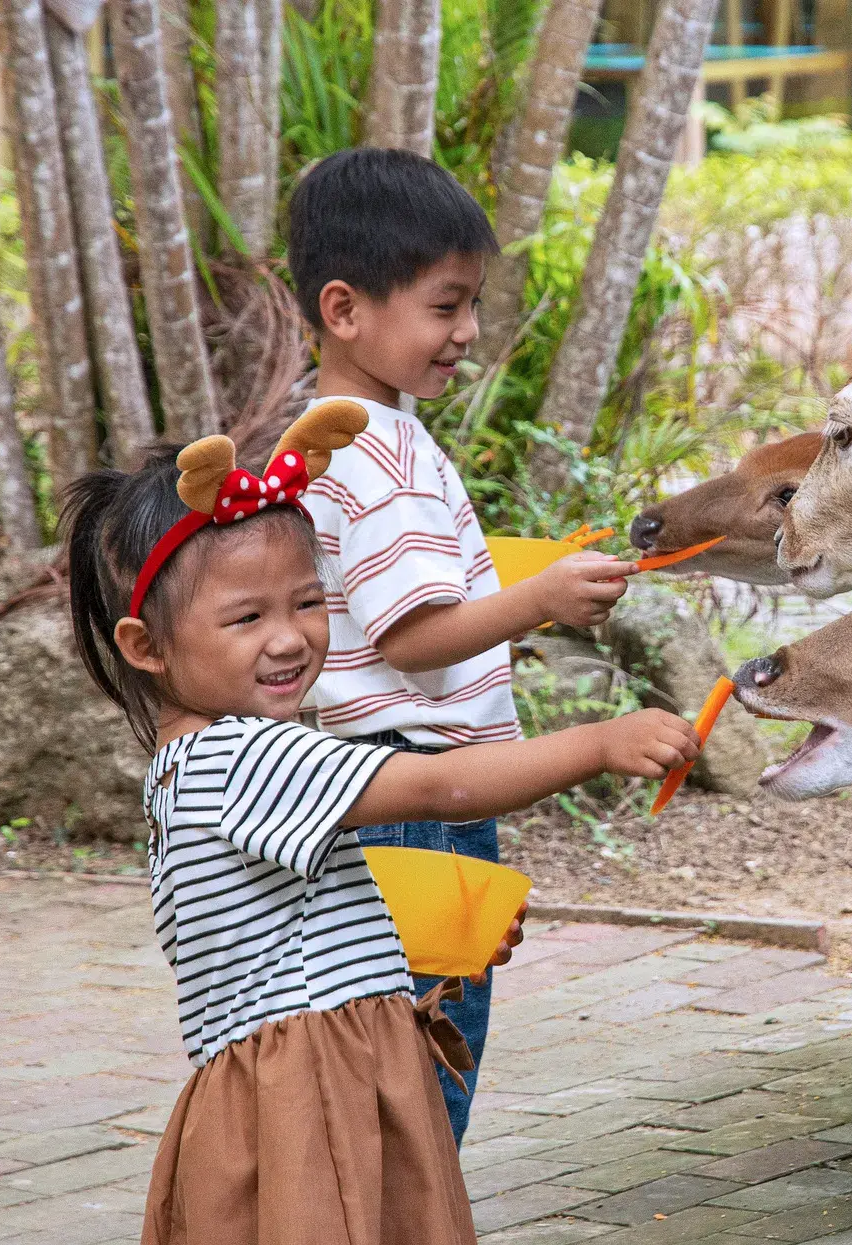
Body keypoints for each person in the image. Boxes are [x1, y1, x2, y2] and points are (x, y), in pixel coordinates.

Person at [62, 405, 701, 1245]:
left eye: (308, 601)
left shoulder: (203, 765)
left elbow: (295, 925)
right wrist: (598, 742)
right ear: (146, 648)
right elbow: (441, 788)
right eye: (247, 617)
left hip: (314, 1077)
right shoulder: (243, 755)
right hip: (313, 1097)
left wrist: (437, 937)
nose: (291, 638)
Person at [284, 147, 637, 1142]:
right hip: (424, 800)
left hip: (366, 792)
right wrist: (544, 601)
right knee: (426, 1059)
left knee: (375, 1053)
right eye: (446, 307)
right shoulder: (383, 451)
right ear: (344, 309)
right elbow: (416, 638)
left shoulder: (327, 435)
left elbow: (379, 602)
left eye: (471, 306)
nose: (469, 333)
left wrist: (515, 581)